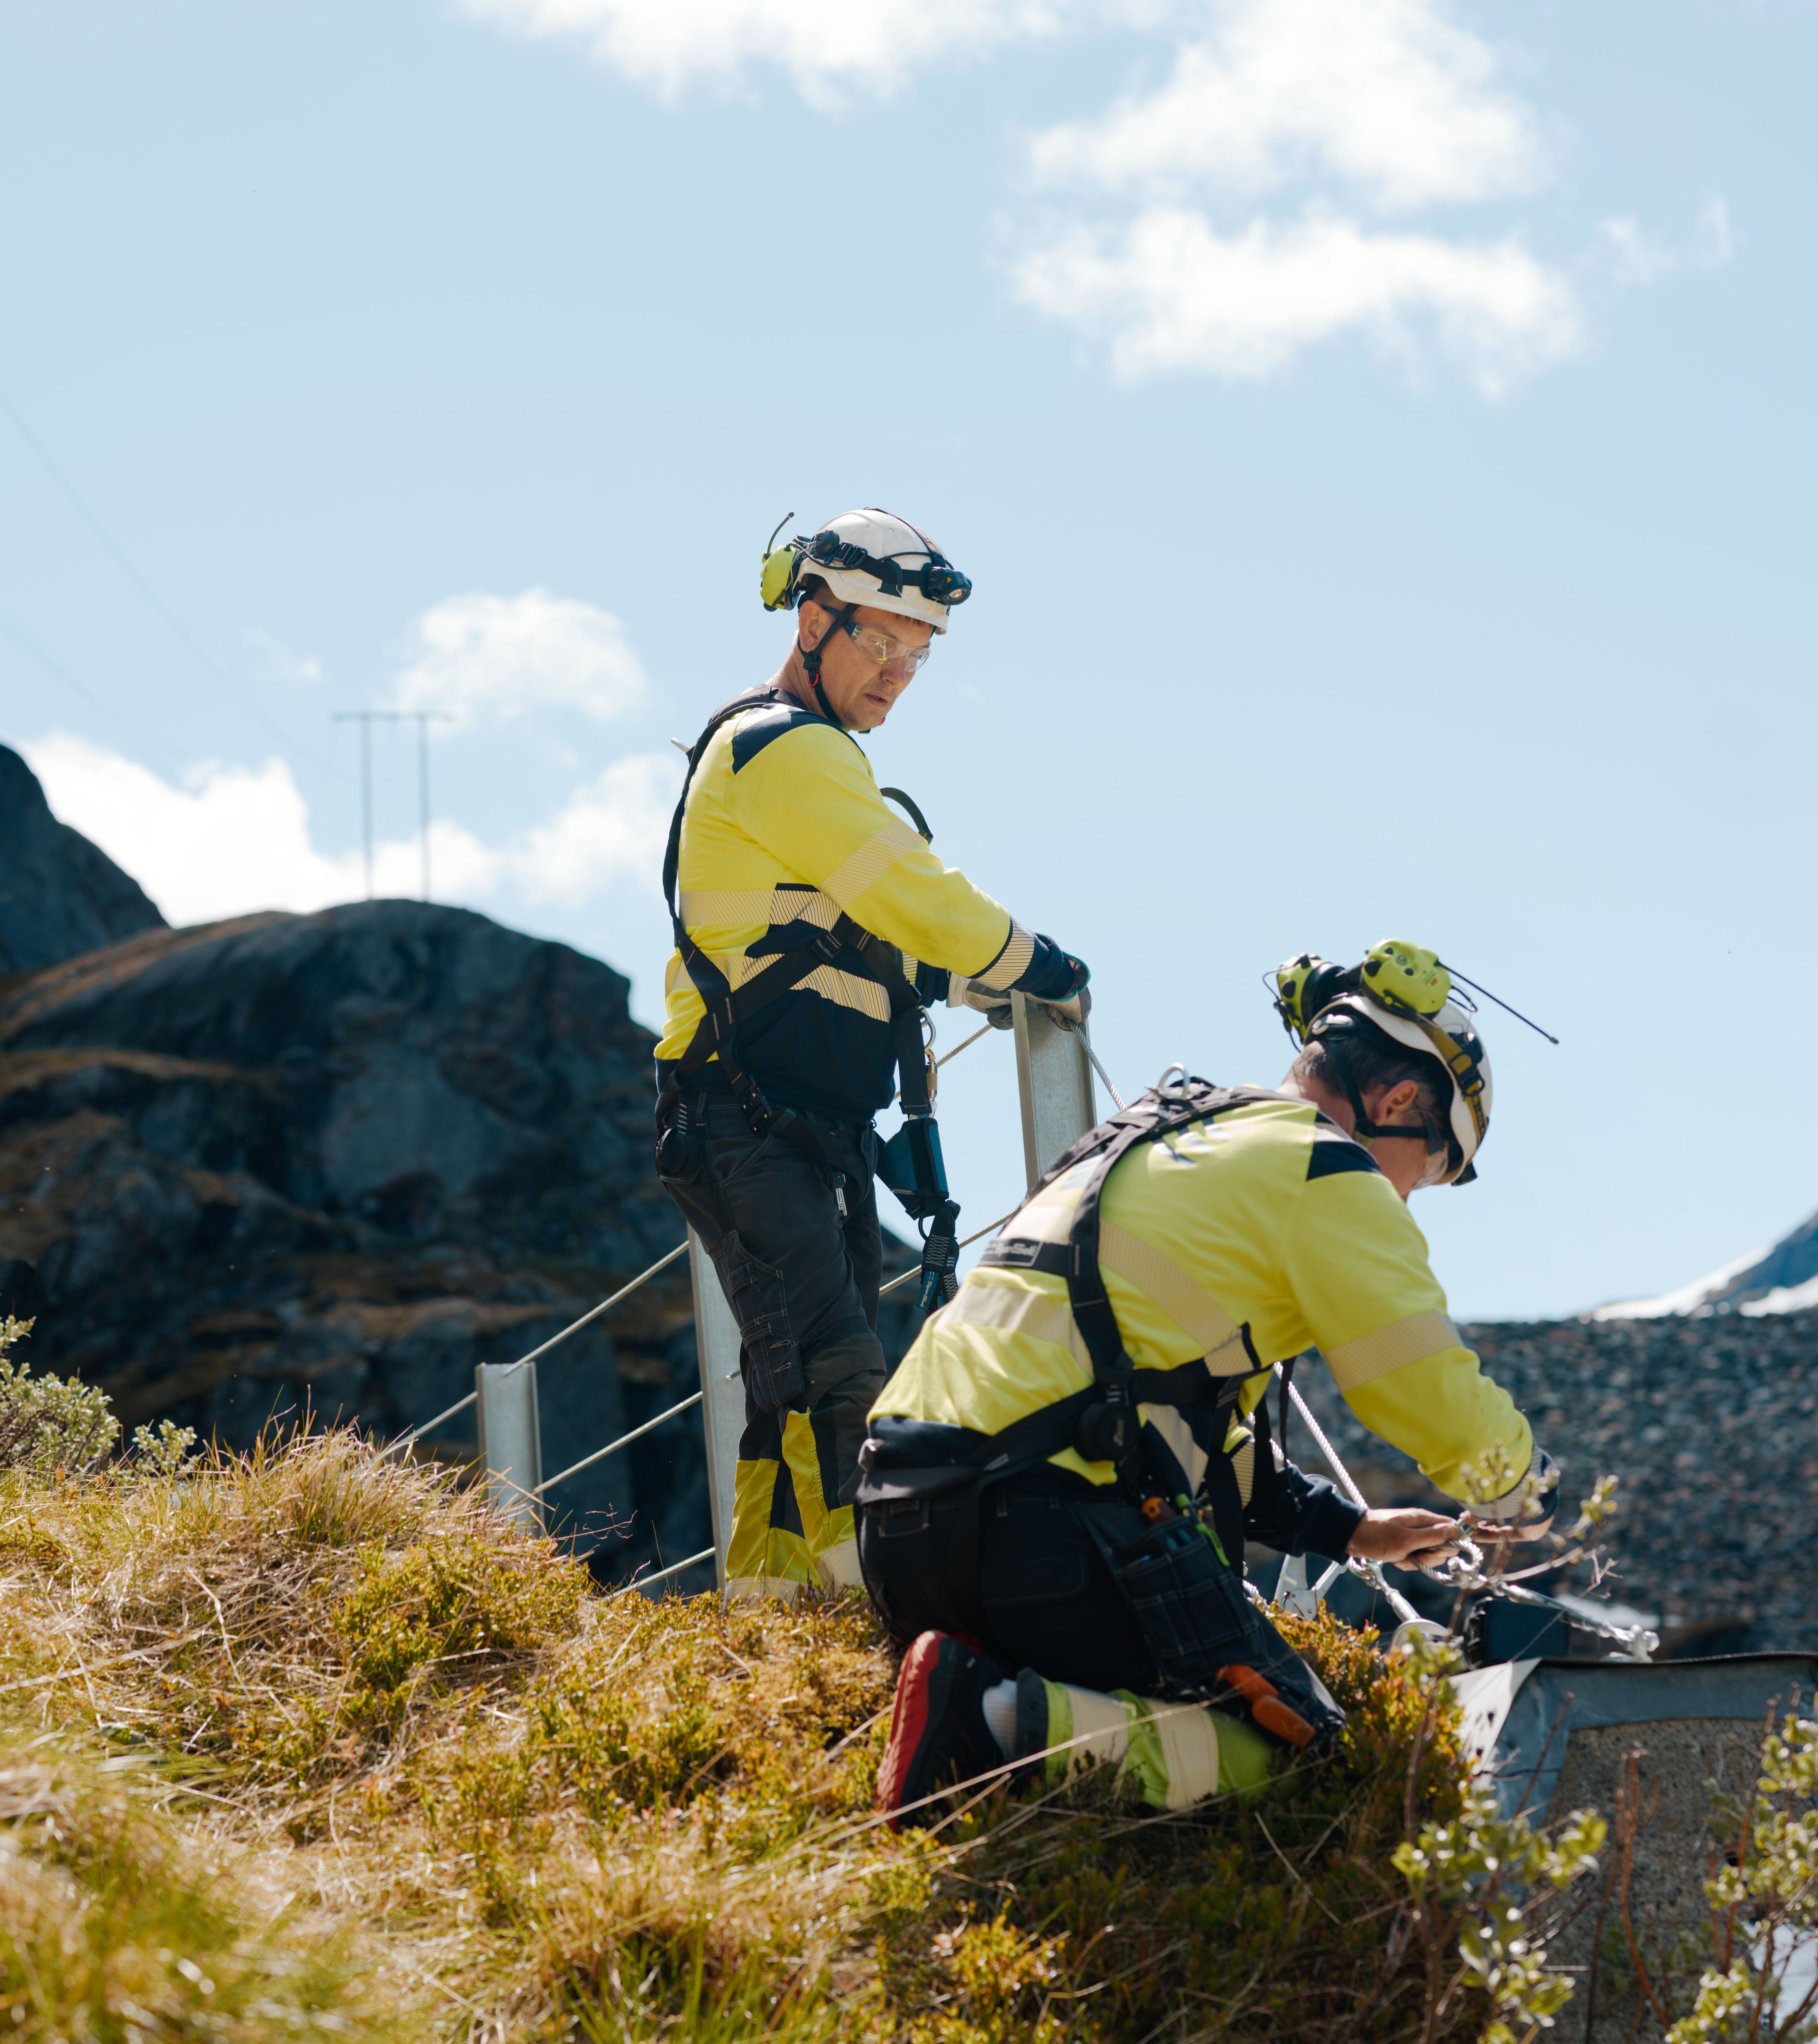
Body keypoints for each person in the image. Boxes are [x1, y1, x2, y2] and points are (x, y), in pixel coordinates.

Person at [854, 942, 1559, 1820]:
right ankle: (990, 1720)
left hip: (902, 1520)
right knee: (1305, 1749)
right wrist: (1530, 1494)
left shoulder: (1170, 1133)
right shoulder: (1328, 1171)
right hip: (1035, 1536)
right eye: (1435, 1165)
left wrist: (1350, 1528)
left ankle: (992, 1680)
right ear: (1400, 1102)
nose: (1415, 1194)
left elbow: (1162, 1416)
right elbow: (1426, 1394)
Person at [656, 509, 1092, 1604]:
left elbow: (866, 943)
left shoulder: (803, 759)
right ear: (813, 620)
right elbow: (914, 898)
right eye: (882, 641)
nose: (901, 673)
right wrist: (1035, 965)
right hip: (748, 1120)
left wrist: (964, 978)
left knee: (794, 1380)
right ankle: (867, 1615)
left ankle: (769, 1616)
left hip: (788, 1125)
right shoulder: (782, 750)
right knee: (835, 1374)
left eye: (920, 654)